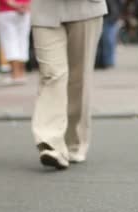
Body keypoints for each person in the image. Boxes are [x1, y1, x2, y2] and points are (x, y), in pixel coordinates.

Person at [30, 0, 107, 170]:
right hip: (44, 9)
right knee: (51, 75)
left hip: (86, 8)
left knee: (79, 79)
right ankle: (50, 143)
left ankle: (74, 142)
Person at [0, 0, 31, 84]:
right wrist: (26, 5)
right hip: (25, 9)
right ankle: (21, 74)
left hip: (6, 10)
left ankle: (15, 74)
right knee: (23, 41)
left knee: (10, 42)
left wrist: (13, 4)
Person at [96, 0, 123, 69]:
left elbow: (120, 5)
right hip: (102, 17)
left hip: (110, 19)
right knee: (100, 42)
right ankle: (100, 62)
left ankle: (108, 62)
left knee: (109, 41)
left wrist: (116, 17)